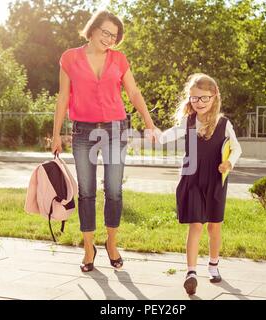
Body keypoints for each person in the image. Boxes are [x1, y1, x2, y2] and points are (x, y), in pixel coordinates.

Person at [51, 10, 157, 272]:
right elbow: (63, 97)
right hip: (83, 132)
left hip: (115, 129)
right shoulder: (70, 58)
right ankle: (89, 248)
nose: (110, 38)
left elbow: (133, 91)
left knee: (113, 189)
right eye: (105, 32)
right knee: (86, 191)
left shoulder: (119, 60)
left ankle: (111, 243)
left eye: (114, 35)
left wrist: (149, 122)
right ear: (93, 29)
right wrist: (55, 134)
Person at [156, 73, 242, 295]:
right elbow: (166, 136)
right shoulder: (188, 121)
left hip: (215, 179)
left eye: (204, 98)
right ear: (189, 99)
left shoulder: (224, 124)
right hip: (192, 178)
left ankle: (213, 264)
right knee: (196, 224)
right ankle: (191, 273)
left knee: (214, 226)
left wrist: (229, 164)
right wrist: (155, 134)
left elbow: (237, 148)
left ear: (214, 97)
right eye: (194, 98)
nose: (199, 103)